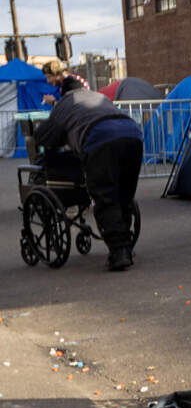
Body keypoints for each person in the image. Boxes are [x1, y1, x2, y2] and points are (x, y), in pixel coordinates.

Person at [34, 74, 145, 271]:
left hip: (99, 138)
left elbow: (46, 136)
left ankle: (119, 252)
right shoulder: (99, 97)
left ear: (63, 91)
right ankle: (125, 244)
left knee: (105, 197)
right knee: (123, 195)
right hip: (132, 134)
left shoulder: (65, 104)